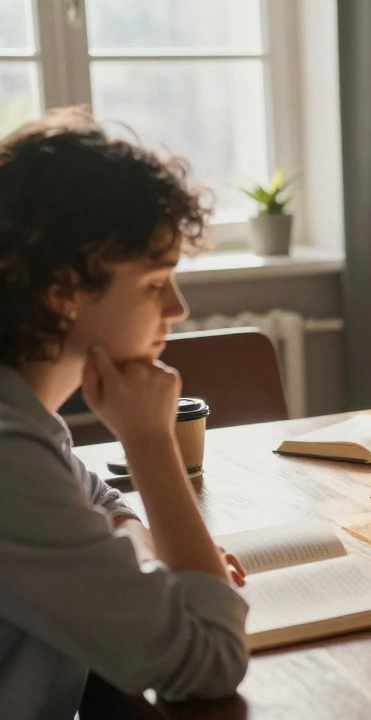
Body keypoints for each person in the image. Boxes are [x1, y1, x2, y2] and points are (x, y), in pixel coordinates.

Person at [0, 109, 249, 718]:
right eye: (153, 283)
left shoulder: (26, 417)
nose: (178, 308)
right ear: (64, 291)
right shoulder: (7, 456)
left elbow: (107, 509)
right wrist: (149, 441)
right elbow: (210, 661)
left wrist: (135, 547)